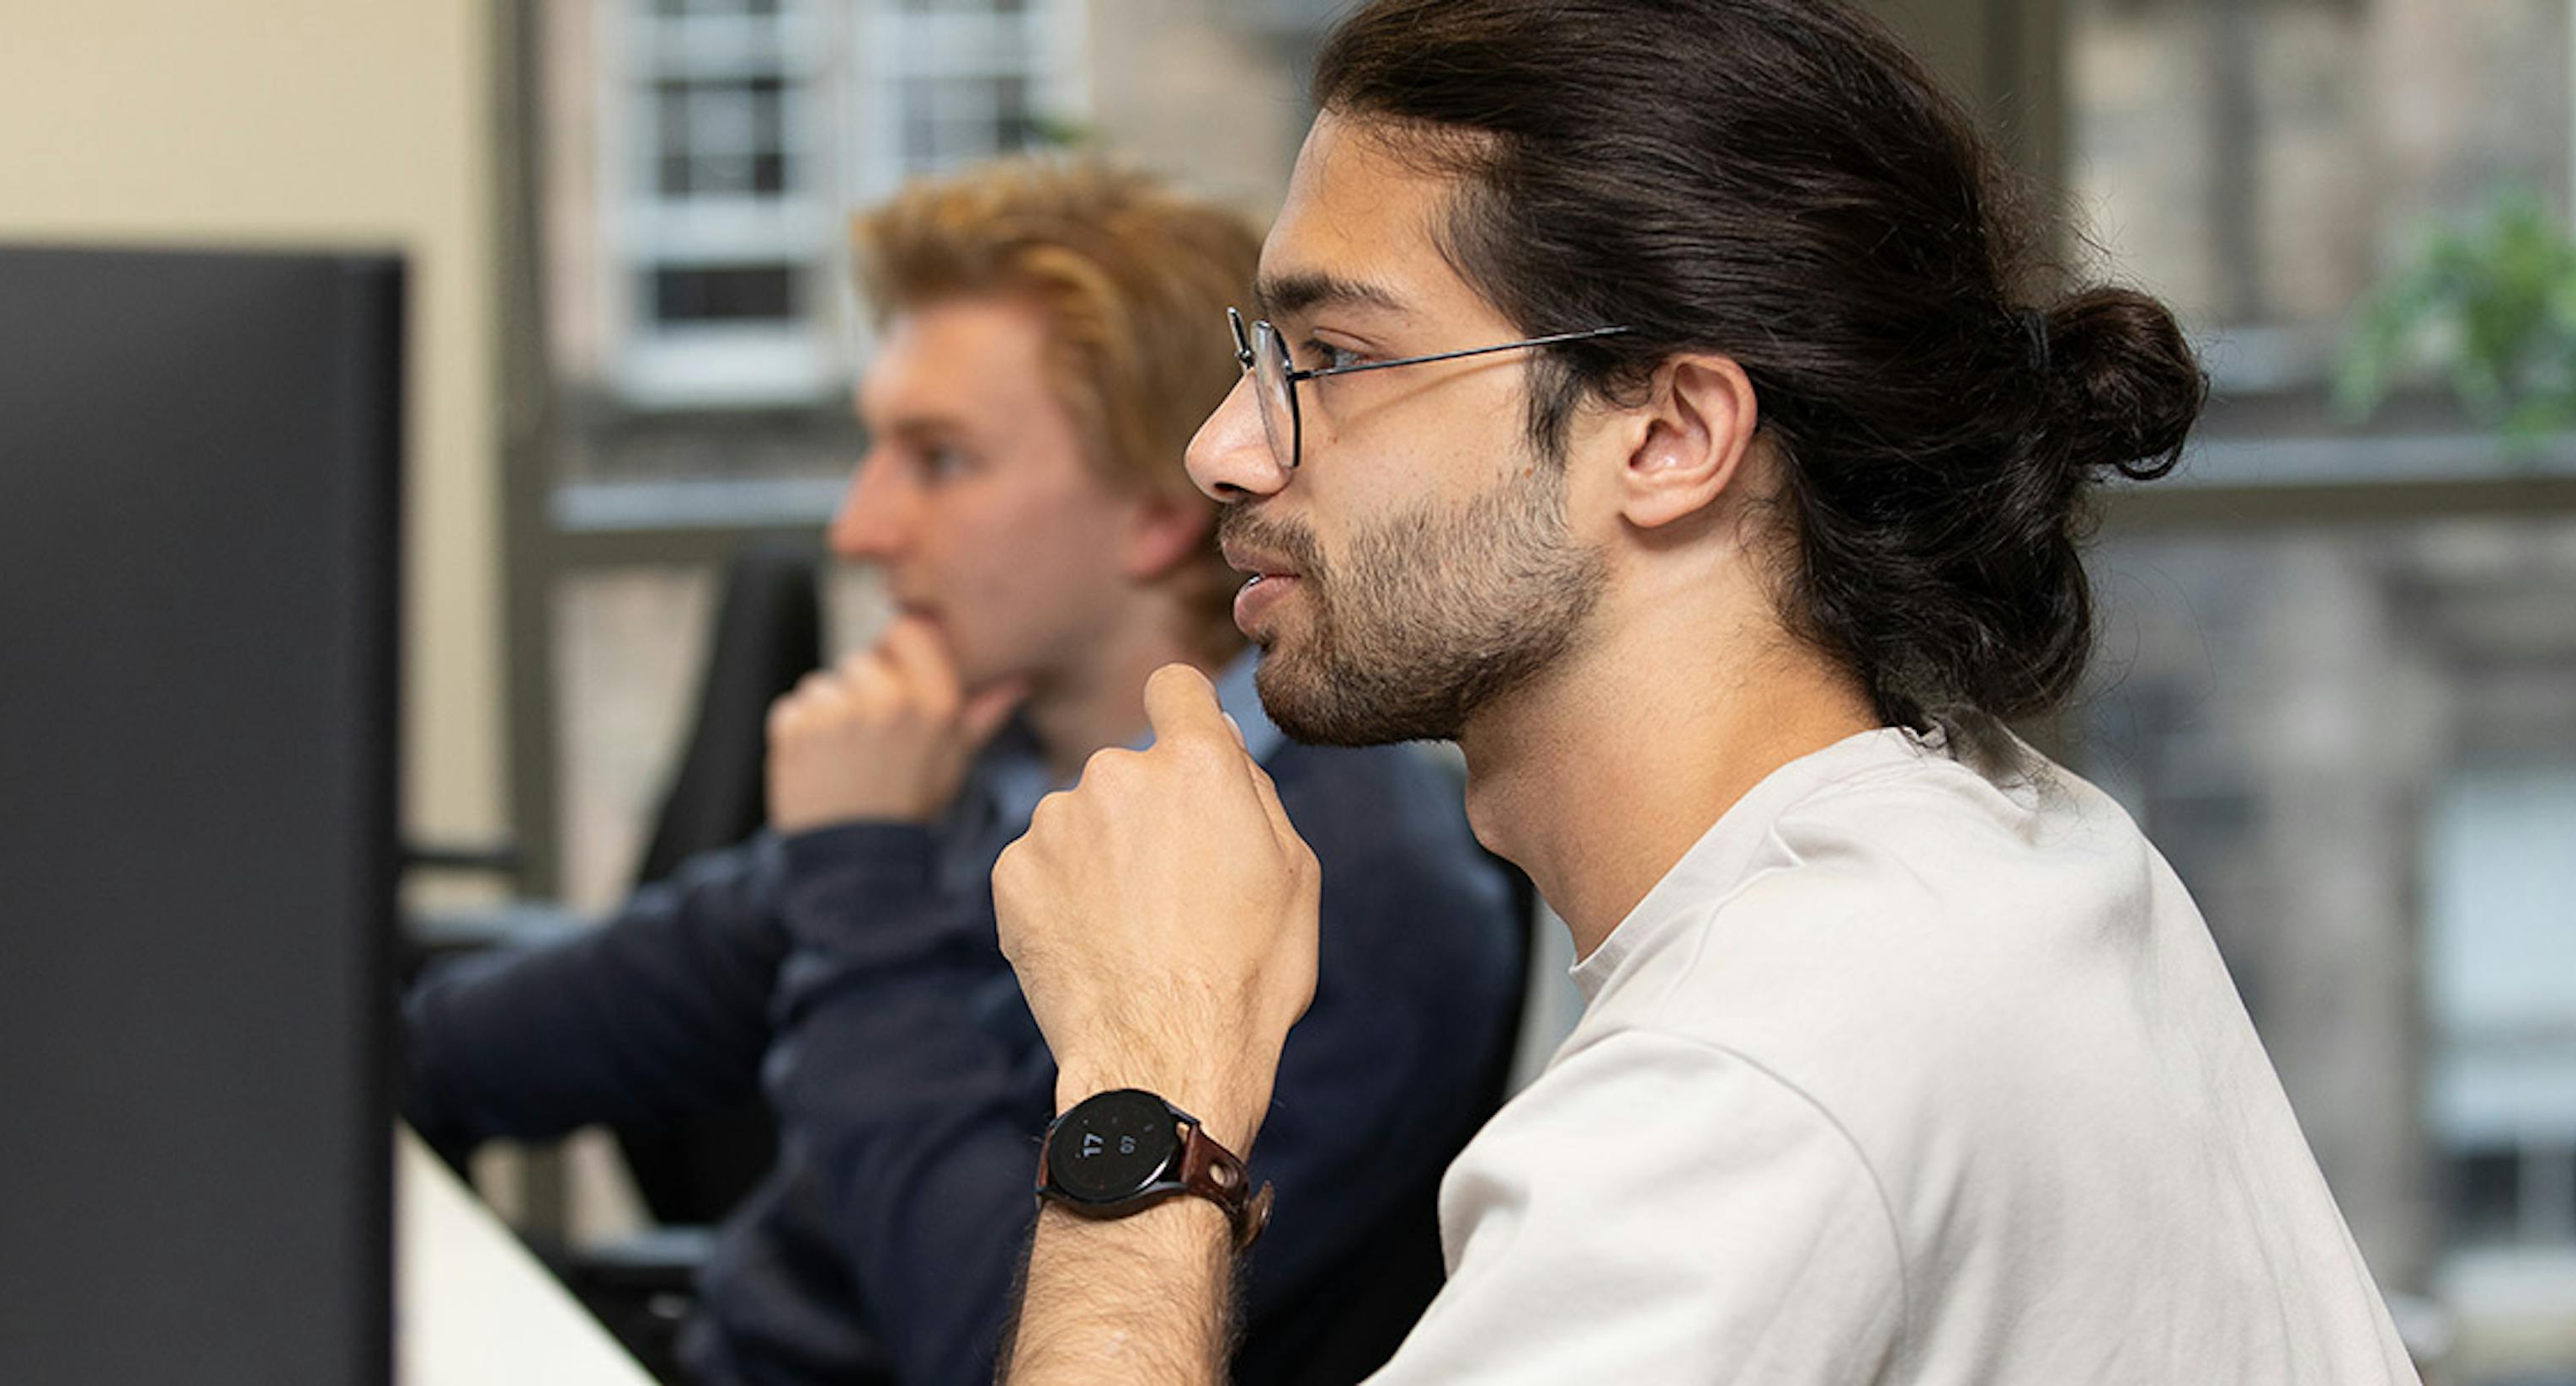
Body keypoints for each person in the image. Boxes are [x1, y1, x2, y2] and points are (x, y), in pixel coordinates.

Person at [987, 2, 2425, 1382]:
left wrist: (1144, 1075)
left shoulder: (1766, 1065)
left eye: (1338, 359)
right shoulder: (2008, 849)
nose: (1225, 449)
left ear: (1673, 434)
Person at [399, 157, 1520, 1386]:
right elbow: (484, 1048)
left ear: (1153, 510)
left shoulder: (1361, 893)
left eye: (938, 461)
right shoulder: (988, 767)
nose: (861, 527)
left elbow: (988, 1344)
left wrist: (856, 866)